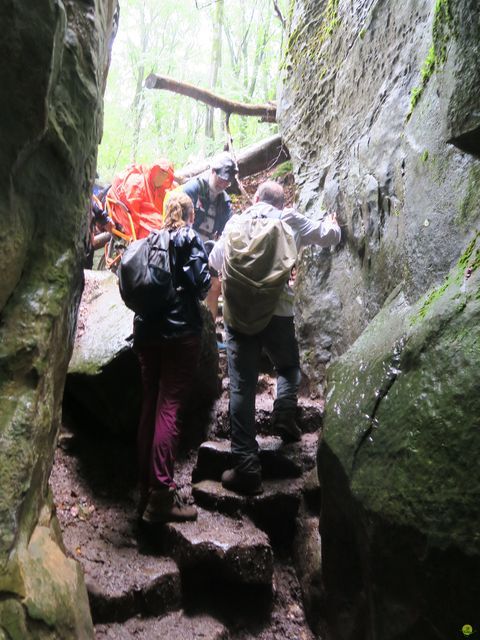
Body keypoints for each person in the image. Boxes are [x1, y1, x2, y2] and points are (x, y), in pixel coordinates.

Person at [209, 181, 341, 495]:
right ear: (281, 203)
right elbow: (330, 237)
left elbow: (214, 261)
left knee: (241, 386)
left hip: (239, 315)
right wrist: (333, 224)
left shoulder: (235, 222)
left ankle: (246, 466)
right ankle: (284, 413)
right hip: (278, 311)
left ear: (255, 199)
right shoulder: (289, 220)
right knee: (288, 366)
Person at [134, 192, 211, 523]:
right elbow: (201, 284)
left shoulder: (151, 238)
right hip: (180, 332)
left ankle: (146, 490)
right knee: (169, 406)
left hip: (146, 331)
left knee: (150, 404)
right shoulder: (188, 236)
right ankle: (163, 495)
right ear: (190, 216)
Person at [181, 152, 238, 319]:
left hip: (208, 246)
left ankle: (210, 329)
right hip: (186, 242)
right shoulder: (193, 188)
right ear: (213, 171)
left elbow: (229, 228)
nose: (224, 183)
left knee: (215, 285)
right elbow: (177, 218)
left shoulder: (225, 202)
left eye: (227, 181)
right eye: (222, 178)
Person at [107, 159, 175, 240]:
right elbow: (131, 209)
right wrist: (134, 237)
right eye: (160, 173)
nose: (162, 177)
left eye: (165, 175)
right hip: (128, 215)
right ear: (154, 170)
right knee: (157, 233)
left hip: (144, 214)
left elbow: (162, 209)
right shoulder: (137, 183)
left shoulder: (159, 188)